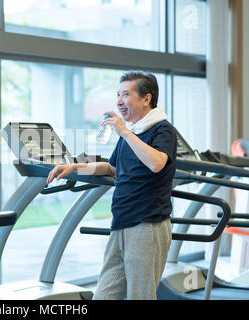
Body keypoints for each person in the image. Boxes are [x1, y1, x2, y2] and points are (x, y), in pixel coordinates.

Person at [46, 71, 177, 300]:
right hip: (121, 224)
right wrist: (74, 167)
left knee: (140, 297)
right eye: (118, 94)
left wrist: (124, 132)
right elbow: (112, 168)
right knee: (104, 295)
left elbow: (157, 163)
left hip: (147, 226)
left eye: (126, 94)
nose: (118, 101)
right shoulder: (132, 132)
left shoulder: (161, 129)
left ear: (146, 99)